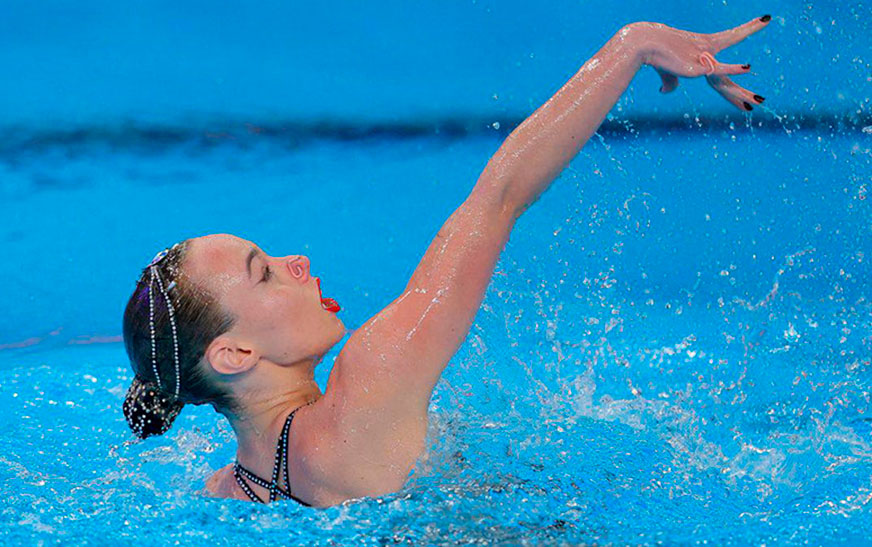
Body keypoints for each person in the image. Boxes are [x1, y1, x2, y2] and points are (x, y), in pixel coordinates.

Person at [122, 15, 771, 507]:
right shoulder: (369, 382)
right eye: (264, 272)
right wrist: (635, 44)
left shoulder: (230, 489)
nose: (296, 260)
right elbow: (499, 197)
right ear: (233, 354)